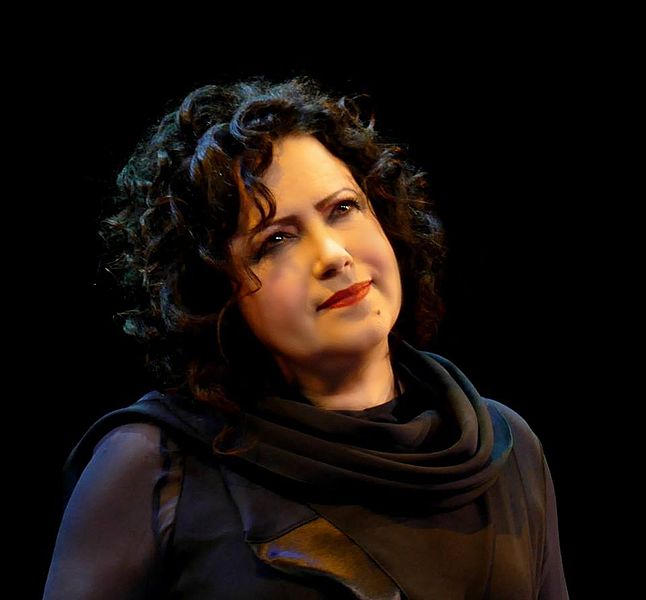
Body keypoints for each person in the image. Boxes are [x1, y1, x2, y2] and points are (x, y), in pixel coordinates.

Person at [44, 77, 568, 599]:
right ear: (214, 291)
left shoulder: (506, 448)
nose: (333, 255)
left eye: (343, 208)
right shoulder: (154, 465)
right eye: (276, 240)